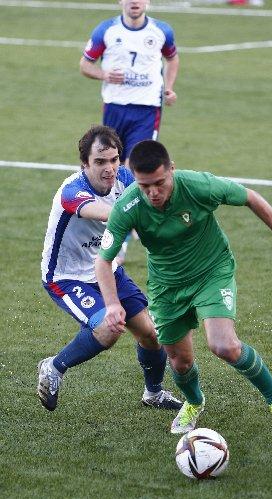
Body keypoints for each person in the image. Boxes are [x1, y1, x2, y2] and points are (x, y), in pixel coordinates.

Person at [95, 139, 272, 439]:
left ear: (172, 170)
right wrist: (112, 304)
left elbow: (250, 197)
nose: (153, 193)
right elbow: (103, 261)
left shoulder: (198, 185)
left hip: (212, 272)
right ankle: (194, 402)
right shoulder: (128, 206)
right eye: (145, 185)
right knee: (179, 360)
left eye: (160, 183)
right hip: (167, 287)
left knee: (224, 345)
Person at [37, 126, 182, 413]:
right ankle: (53, 367)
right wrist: (142, 216)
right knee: (109, 327)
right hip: (67, 277)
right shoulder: (72, 192)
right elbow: (107, 213)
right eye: (100, 162)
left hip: (107, 269)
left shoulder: (125, 178)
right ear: (85, 164)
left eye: (114, 160)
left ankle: (153, 393)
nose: (109, 169)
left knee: (152, 334)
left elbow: (152, 193)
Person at [79, 0, 179, 168]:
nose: (134, 1)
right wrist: (104, 75)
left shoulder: (162, 31)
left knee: (135, 165)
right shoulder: (106, 30)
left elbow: (172, 58)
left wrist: (169, 88)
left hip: (147, 109)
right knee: (111, 165)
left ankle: (134, 194)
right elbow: (85, 65)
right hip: (114, 107)